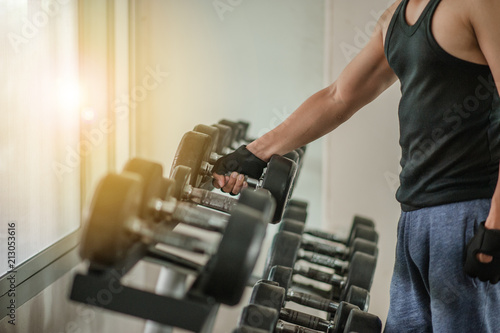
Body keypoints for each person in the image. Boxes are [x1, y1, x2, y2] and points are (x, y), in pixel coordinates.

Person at [212, 0, 500, 332]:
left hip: (468, 213)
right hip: (413, 217)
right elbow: (339, 97)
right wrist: (255, 153)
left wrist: (495, 225)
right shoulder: (395, 16)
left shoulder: (478, 4)